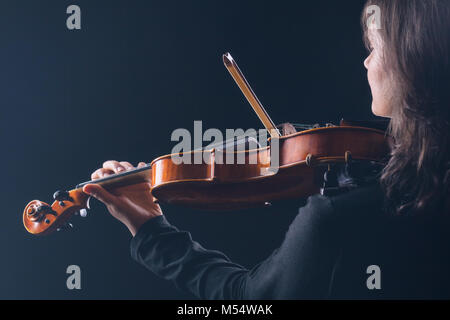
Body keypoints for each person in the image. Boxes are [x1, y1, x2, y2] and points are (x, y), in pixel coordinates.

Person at [82, 0, 450, 299]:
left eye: (374, 48)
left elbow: (248, 301)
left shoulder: (340, 217)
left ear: (413, 55)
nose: (366, 61)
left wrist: (150, 230)